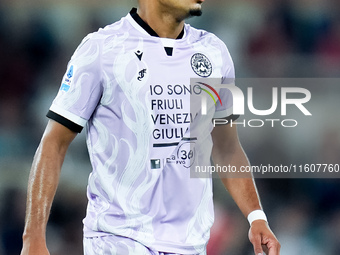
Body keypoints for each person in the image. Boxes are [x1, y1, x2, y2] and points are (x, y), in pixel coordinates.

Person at [21, 0, 281, 254]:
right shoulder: (102, 49)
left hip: (190, 244)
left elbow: (227, 147)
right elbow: (54, 143)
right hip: (118, 239)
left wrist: (256, 217)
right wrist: (33, 238)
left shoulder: (214, 52)